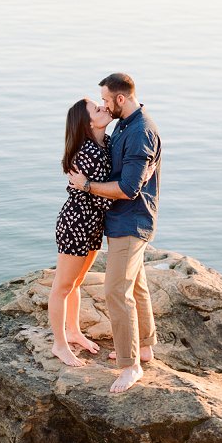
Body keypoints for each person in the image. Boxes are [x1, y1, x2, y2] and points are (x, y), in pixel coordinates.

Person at [68, 73, 161, 394]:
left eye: (107, 100)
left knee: (115, 292)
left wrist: (87, 186)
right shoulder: (125, 124)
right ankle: (145, 347)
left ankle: (129, 365)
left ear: (121, 99)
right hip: (120, 221)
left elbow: (128, 188)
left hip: (131, 223)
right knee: (136, 287)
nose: (105, 106)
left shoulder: (139, 132)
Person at [49, 98, 113, 367]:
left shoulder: (105, 144)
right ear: (88, 123)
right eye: (97, 109)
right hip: (77, 222)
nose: (104, 108)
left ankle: (74, 331)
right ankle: (59, 344)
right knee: (62, 286)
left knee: (75, 283)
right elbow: (103, 198)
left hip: (92, 223)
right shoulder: (88, 152)